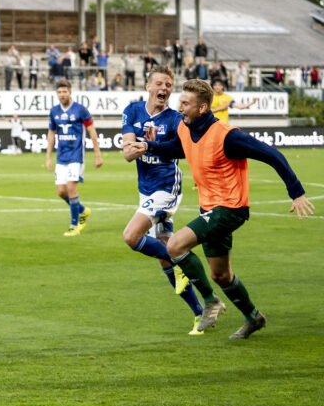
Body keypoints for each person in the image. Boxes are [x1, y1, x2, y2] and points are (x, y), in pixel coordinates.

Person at [123, 79, 315, 339]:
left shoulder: (227, 135)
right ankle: (253, 317)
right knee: (221, 274)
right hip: (209, 208)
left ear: (202, 108)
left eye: (186, 103)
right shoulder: (186, 129)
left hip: (230, 208)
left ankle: (210, 302)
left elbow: (272, 154)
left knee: (175, 245)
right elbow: (176, 148)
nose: (179, 107)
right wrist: (148, 145)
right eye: (180, 101)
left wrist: (296, 193)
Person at [120, 67, 206, 335]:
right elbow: (127, 153)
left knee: (131, 236)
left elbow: (178, 151)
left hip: (167, 187)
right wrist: (137, 146)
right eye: (159, 83)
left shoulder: (175, 119)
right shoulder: (132, 111)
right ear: (148, 86)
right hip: (146, 189)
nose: (164, 88)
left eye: (169, 84)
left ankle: (180, 263)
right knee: (165, 256)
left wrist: (142, 145)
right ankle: (201, 312)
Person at [46, 78, 103, 236]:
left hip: (76, 156)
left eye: (65, 91)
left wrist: (97, 155)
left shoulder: (80, 110)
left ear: (70, 92)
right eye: (59, 92)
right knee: (61, 192)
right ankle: (83, 210)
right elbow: (51, 134)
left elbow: (92, 131)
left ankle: (74, 225)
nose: (62, 94)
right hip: (61, 157)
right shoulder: (54, 111)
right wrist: (48, 157)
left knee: (71, 189)